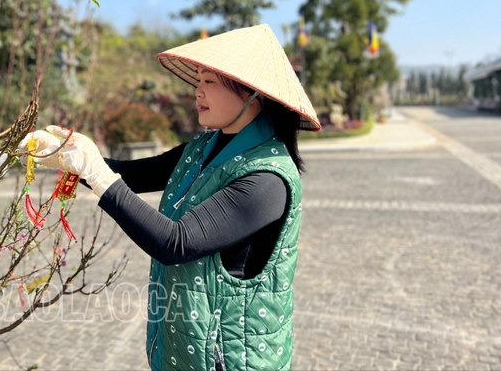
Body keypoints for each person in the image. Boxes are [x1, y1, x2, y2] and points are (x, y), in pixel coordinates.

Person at [20, 24, 320, 371]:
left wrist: (96, 173)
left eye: (210, 81)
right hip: (189, 348)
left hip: (231, 357)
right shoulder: (201, 149)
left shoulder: (267, 178)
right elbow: (128, 176)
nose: (198, 91)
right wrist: (66, 153)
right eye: (199, 79)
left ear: (253, 93)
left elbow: (176, 243)